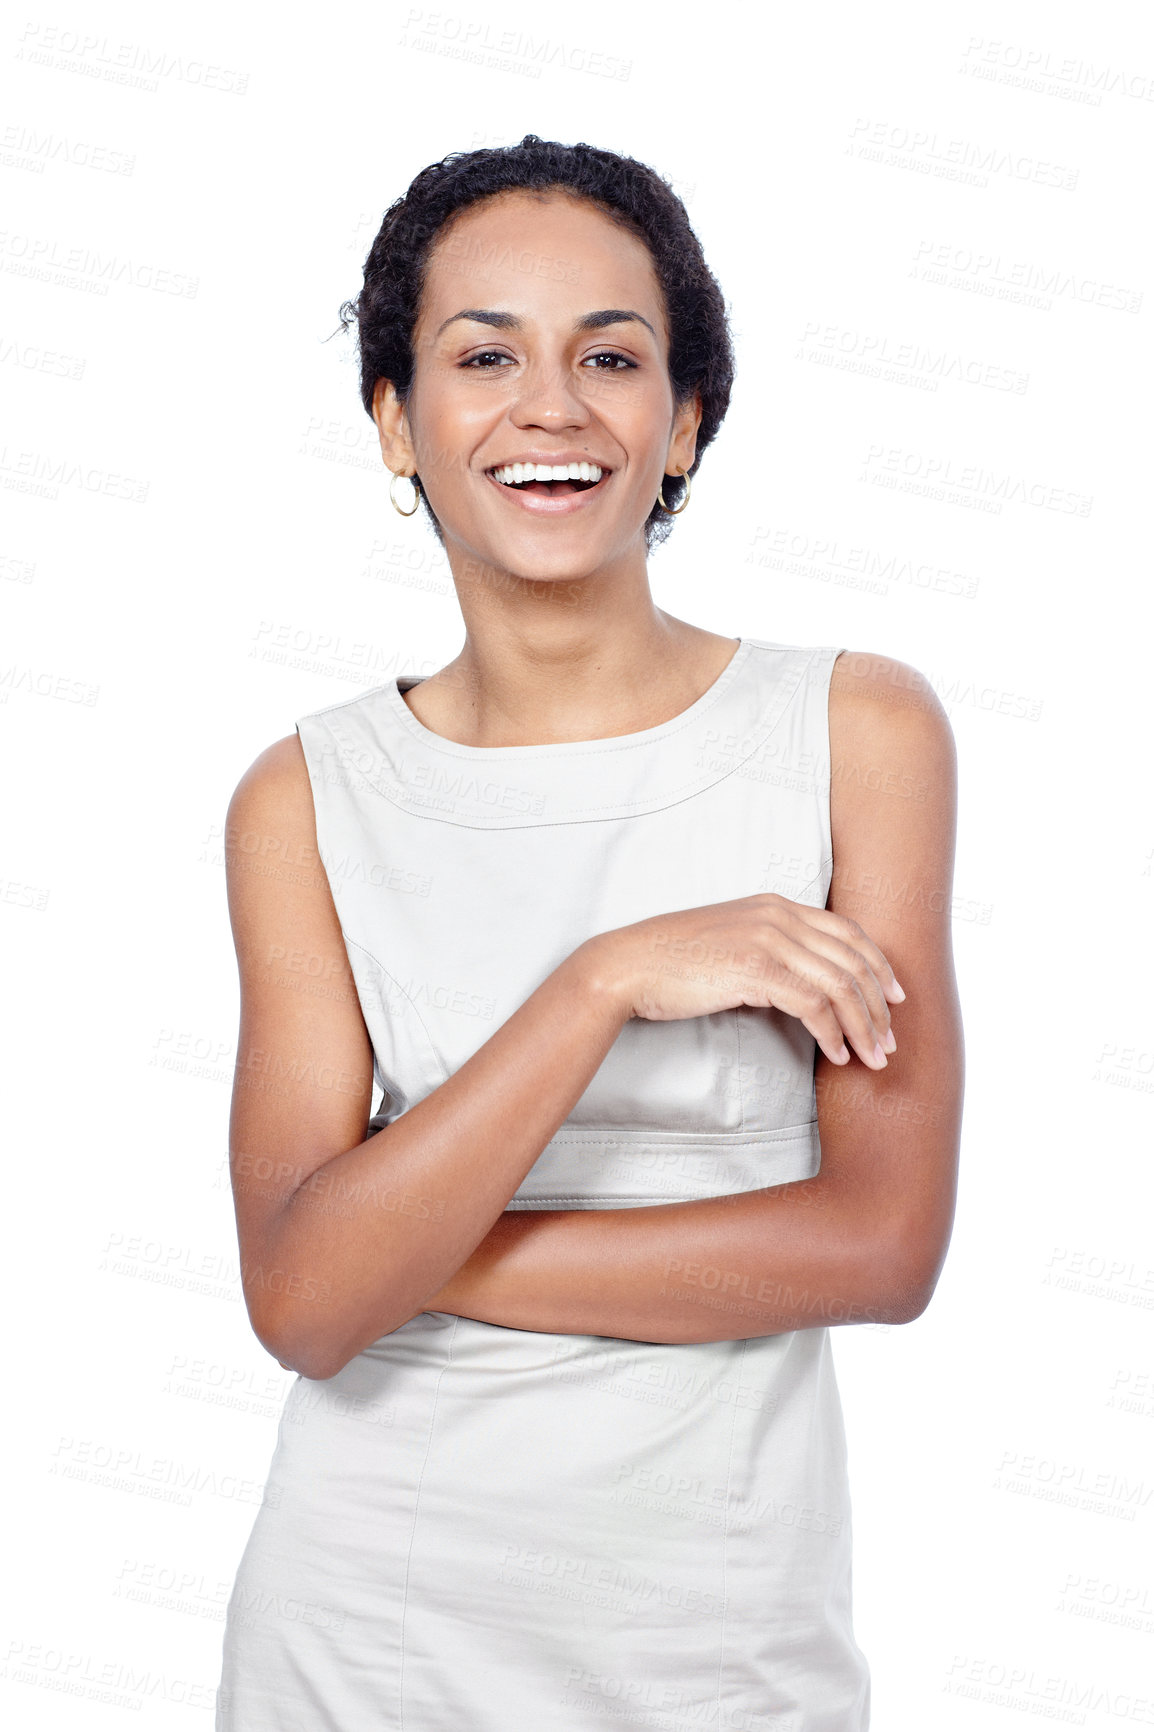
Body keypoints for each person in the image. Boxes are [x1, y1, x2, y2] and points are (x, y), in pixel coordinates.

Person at [215, 135, 963, 1731]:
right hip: (360, 1642)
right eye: (481, 355)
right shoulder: (306, 796)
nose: (548, 405)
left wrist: (401, 1259)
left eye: (609, 358)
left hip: (718, 1651)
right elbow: (298, 1301)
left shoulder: (854, 730)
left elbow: (877, 1248)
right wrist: (602, 982)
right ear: (395, 424)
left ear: (683, 420)